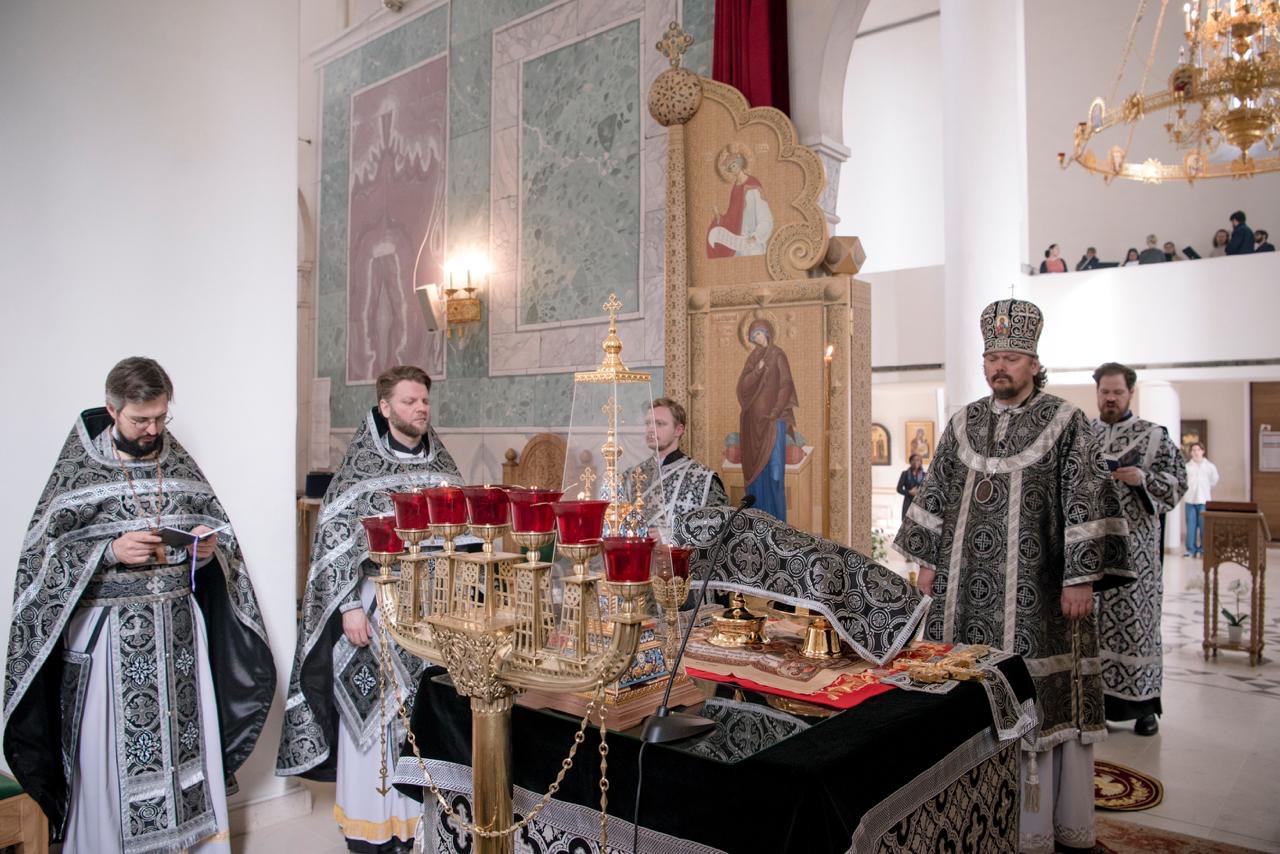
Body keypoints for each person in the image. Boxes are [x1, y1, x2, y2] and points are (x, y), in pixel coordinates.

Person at [3, 357, 275, 853]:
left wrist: (206, 550)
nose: (152, 431)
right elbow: (41, 559)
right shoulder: (77, 468)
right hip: (109, 638)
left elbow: (215, 526)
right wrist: (107, 551)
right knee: (110, 756)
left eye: (160, 418)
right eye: (140, 420)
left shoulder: (176, 458)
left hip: (177, 632)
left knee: (184, 744)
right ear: (112, 410)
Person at [894, 299, 1130, 854]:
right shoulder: (963, 421)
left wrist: (1081, 578)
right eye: (992, 356)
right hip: (961, 598)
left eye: (1012, 357)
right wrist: (925, 565)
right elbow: (938, 495)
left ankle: (1035, 827)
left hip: (1038, 596)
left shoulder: (1066, 421)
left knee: (1034, 699)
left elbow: (1086, 496)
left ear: (1033, 361)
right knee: (962, 693)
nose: (1000, 366)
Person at [277, 365, 471, 854]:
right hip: (378, 612)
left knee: (425, 715)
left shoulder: (443, 466)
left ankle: (424, 828)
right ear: (385, 408)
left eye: (424, 401)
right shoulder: (360, 468)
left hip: (434, 614)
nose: (420, 409)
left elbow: (465, 536)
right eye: (409, 402)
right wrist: (346, 608)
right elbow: (334, 544)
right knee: (375, 720)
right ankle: (371, 833)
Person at [1091, 362, 1187, 737]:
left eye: (1117, 392)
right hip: (1094, 552)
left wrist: (1141, 478)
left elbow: (1178, 482)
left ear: (1130, 393)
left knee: (1137, 625)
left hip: (1138, 554)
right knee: (1093, 628)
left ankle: (1144, 708)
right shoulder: (1084, 435)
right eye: (1104, 392)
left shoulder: (1153, 437)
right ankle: (1096, 704)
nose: (1110, 398)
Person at [618, 398, 728, 537]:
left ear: (678, 430)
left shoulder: (703, 478)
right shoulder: (631, 475)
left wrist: (671, 536)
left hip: (680, 558)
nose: (651, 429)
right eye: (648, 423)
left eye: (659, 424)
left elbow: (720, 524)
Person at [736, 318, 798, 521]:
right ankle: (756, 522)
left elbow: (786, 384)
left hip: (774, 422)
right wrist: (757, 370)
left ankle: (777, 522)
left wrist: (776, 409)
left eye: (759, 334)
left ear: (768, 334)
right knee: (755, 475)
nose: (757, 339)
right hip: (753, 425)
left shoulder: (778, 355)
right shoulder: (753, 358)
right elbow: (742, 387)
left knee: (775, 473)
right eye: (753, 336)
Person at [706, 143, 773, 258]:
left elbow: (766, 219)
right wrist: (720, 218)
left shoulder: (753, 186)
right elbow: (732, 216)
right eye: (730, 168)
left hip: (752, 245)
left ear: (740, 164)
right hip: (737, 244)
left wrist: (756, 236)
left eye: (733, 165)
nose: (732, 169)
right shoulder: (735, 188)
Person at [1183, 442, 1219, 558]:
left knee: (1204, 527)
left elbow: (1214, 481)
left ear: (1202, 451)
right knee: (1191, 527)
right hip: (1190, 500)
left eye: (1198, 450)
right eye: (1193, 450)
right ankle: (1191, 549)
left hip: (1204, 500)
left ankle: (1204, 550)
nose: (1196, 452)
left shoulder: (1210, 466)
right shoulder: (1187, 467)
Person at [896, 453, 926, 519]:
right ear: (910, 461)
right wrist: (909, 492)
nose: (916, 462)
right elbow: (899, 489)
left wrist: (920, 492)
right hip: (908, 503)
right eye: (913, 460)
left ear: (921, 462)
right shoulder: (905, 474)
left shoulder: (925, 475)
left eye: (918, 460)